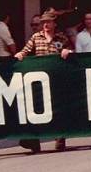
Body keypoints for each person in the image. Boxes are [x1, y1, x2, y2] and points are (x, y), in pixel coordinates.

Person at [15, 9, 73, 152]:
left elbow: (71, 51)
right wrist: (20, 54)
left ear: (54, 23)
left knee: (57, 109)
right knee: (36, 109)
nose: (46, 24)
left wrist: (68, 52)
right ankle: (33, 140)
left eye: (49, 22)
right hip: (40, 80)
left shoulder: (62, 38)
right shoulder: (36, 37)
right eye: (43, 22)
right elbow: (25, 51)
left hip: (56, 79)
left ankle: (60, 137)